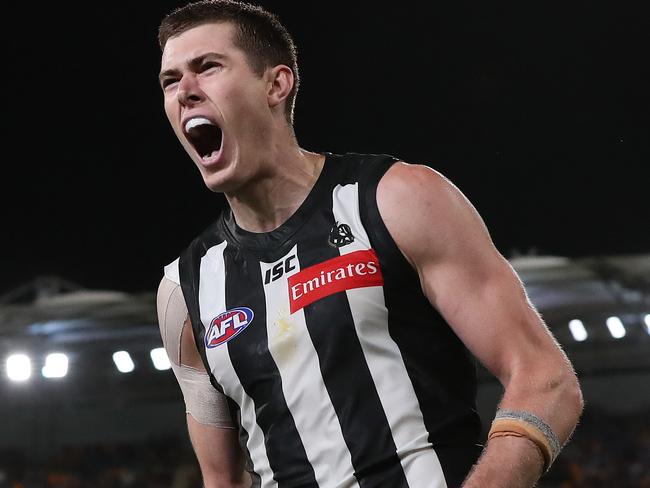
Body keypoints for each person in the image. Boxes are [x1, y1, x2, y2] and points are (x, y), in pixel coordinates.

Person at [155, 1, 583, 487]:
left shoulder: (397, 200)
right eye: (170, 81)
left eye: (207, 67)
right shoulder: (184, 293)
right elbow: (222, 481)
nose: (185, 92)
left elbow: (545, 379)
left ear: (276, 84)